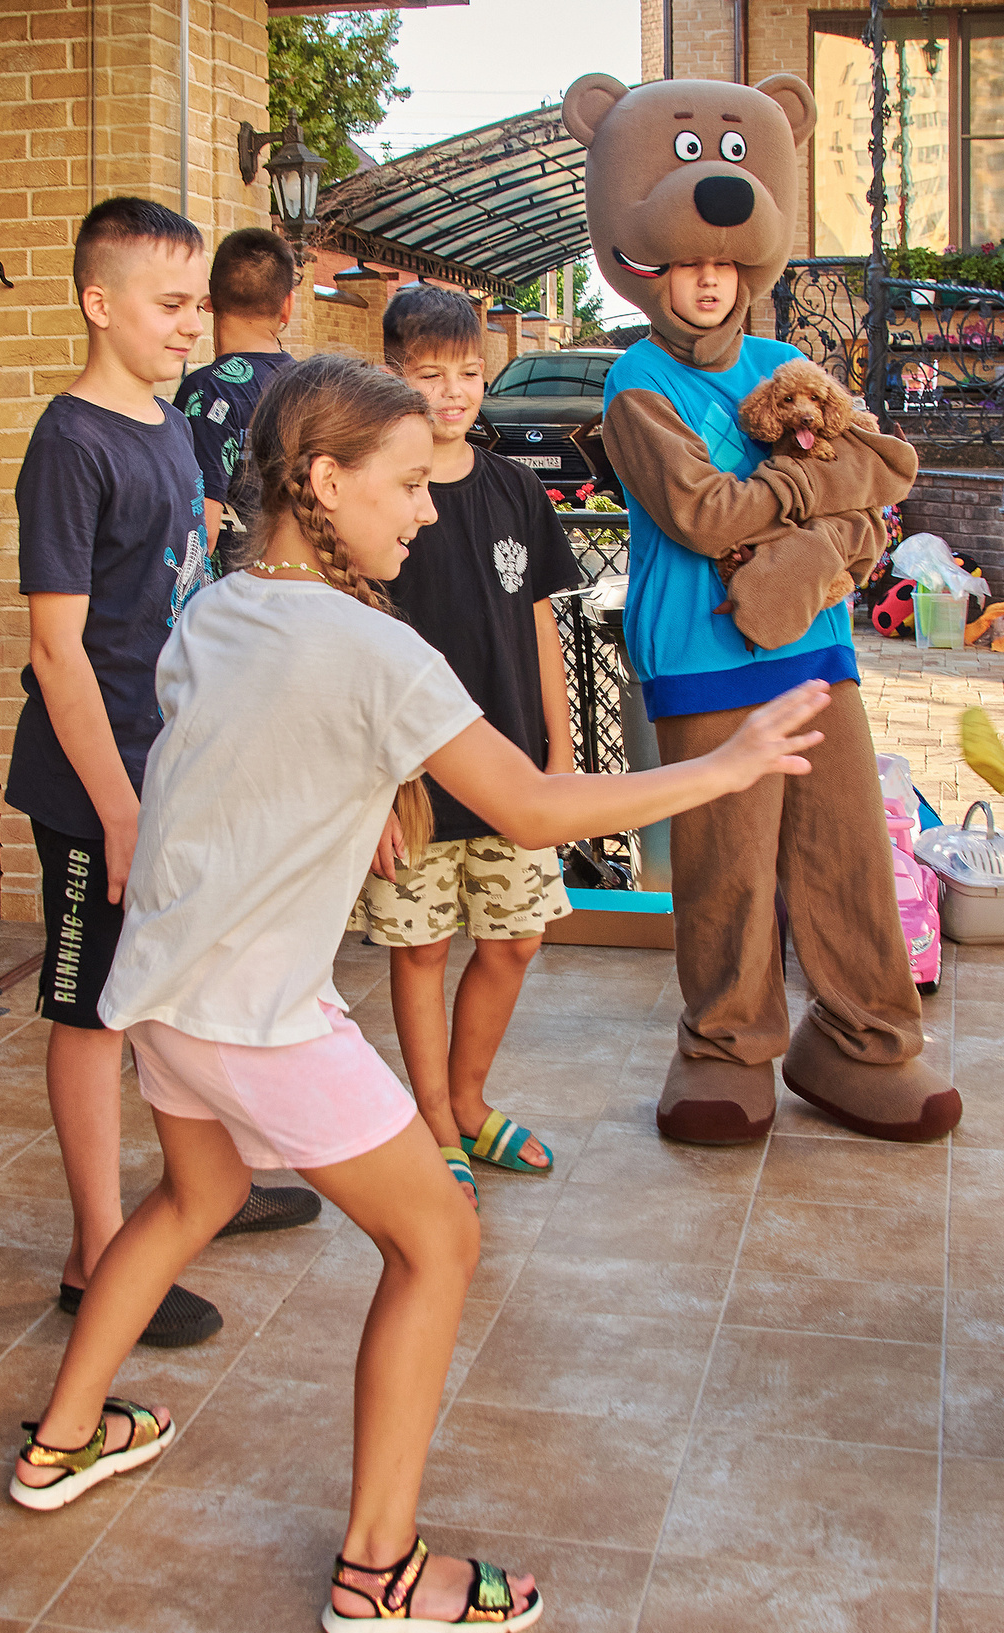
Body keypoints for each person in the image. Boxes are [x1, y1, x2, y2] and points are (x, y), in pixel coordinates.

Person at [11, 352, 833, 1633]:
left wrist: (372, 802)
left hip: (162, 990)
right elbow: (534, 808)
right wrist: (727, 766)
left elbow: (220, 761)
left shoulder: (217, 608)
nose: (426, 507)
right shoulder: (373, 648)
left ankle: (61, 1440)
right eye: (402, 483)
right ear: (325, 481)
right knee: (439, 1238)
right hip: (258, 1011)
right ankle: (380, 1568)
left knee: (197, 1194)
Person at [566, 69, 958, 1148]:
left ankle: (865, 1041)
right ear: (651, 268)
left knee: (843, 854)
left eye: (721, 263)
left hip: (816, 647)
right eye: (685, 263)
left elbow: (879, 485)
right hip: (698, 653)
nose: (705, 280)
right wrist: (810, 493)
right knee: (726, 869)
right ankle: (726, 1050)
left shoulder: (794, 364)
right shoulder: (634, 384)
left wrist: (835, 523)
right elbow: (701, 513)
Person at [5, 196, 317, 1354]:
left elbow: (193, 596)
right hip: (98, 788)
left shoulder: (170, 427)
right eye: (171, 304)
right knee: (90, 1011)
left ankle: (197, 1189)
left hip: (173, 765)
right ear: (100, 302)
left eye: (198, 305)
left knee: (171, 991)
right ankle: (95, 1257)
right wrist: (120, 811)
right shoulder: (71, 444)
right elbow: (57, 648)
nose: (193, 327)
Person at [355, 287, 581, 1205]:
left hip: (510, 772)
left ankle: (471, 1098)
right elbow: (353, 652)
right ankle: (437, 1125)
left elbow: (539, 630)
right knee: (423, 951)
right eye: (430, 375)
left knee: (517, 939)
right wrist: (369, 791)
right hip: (409, 782)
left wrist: (558, 761)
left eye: (470, 374)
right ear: (392, 378)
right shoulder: (377, 496)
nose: (453, 394)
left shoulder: (515, 489)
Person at [172, 226, 298, 546]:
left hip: (229, 592)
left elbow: (201, 533)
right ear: (288, 306)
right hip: (305, 586)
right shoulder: (314, 386)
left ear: (210, 301)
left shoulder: (206, 392)